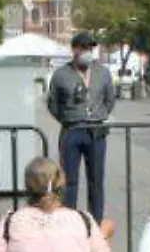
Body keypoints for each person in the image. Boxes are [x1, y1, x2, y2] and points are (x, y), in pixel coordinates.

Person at [47, 32, 116, 222]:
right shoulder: (61, 74)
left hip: (96, 131)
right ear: (75, 50)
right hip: (71, 131)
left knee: (96, 180)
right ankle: (68, 220)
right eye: (84, 48)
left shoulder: (102, 72)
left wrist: (100, 115)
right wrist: (68, 118)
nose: (88, 52)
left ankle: (95, 221)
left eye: (90, 48)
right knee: (69, 181)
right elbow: (53, 103)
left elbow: (110, 99)